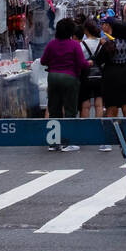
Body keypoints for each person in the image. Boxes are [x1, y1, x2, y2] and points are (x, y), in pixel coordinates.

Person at [41, 18, 87, 153]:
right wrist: (88, 64)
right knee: (70, 109)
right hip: (69, 78)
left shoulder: (51, 44)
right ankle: (69, 141)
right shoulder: (74, 45)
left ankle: (53, 142)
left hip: (53, 77)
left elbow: (43, 61)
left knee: (54, 109)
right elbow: (82, 63)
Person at [98, 20, 126, 120]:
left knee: (111, 108)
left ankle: (112, 132)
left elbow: (99, 60)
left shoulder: (109, 44)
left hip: (112, 77)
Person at [78, 19, 106, 146]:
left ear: (86, 31)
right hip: (99, 75)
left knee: (85, 105)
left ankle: (84, 131)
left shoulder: (81, 44)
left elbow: (79, 60)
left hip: (85, 76)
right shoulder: (101, 43)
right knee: (99, 104)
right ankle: (99, 130)